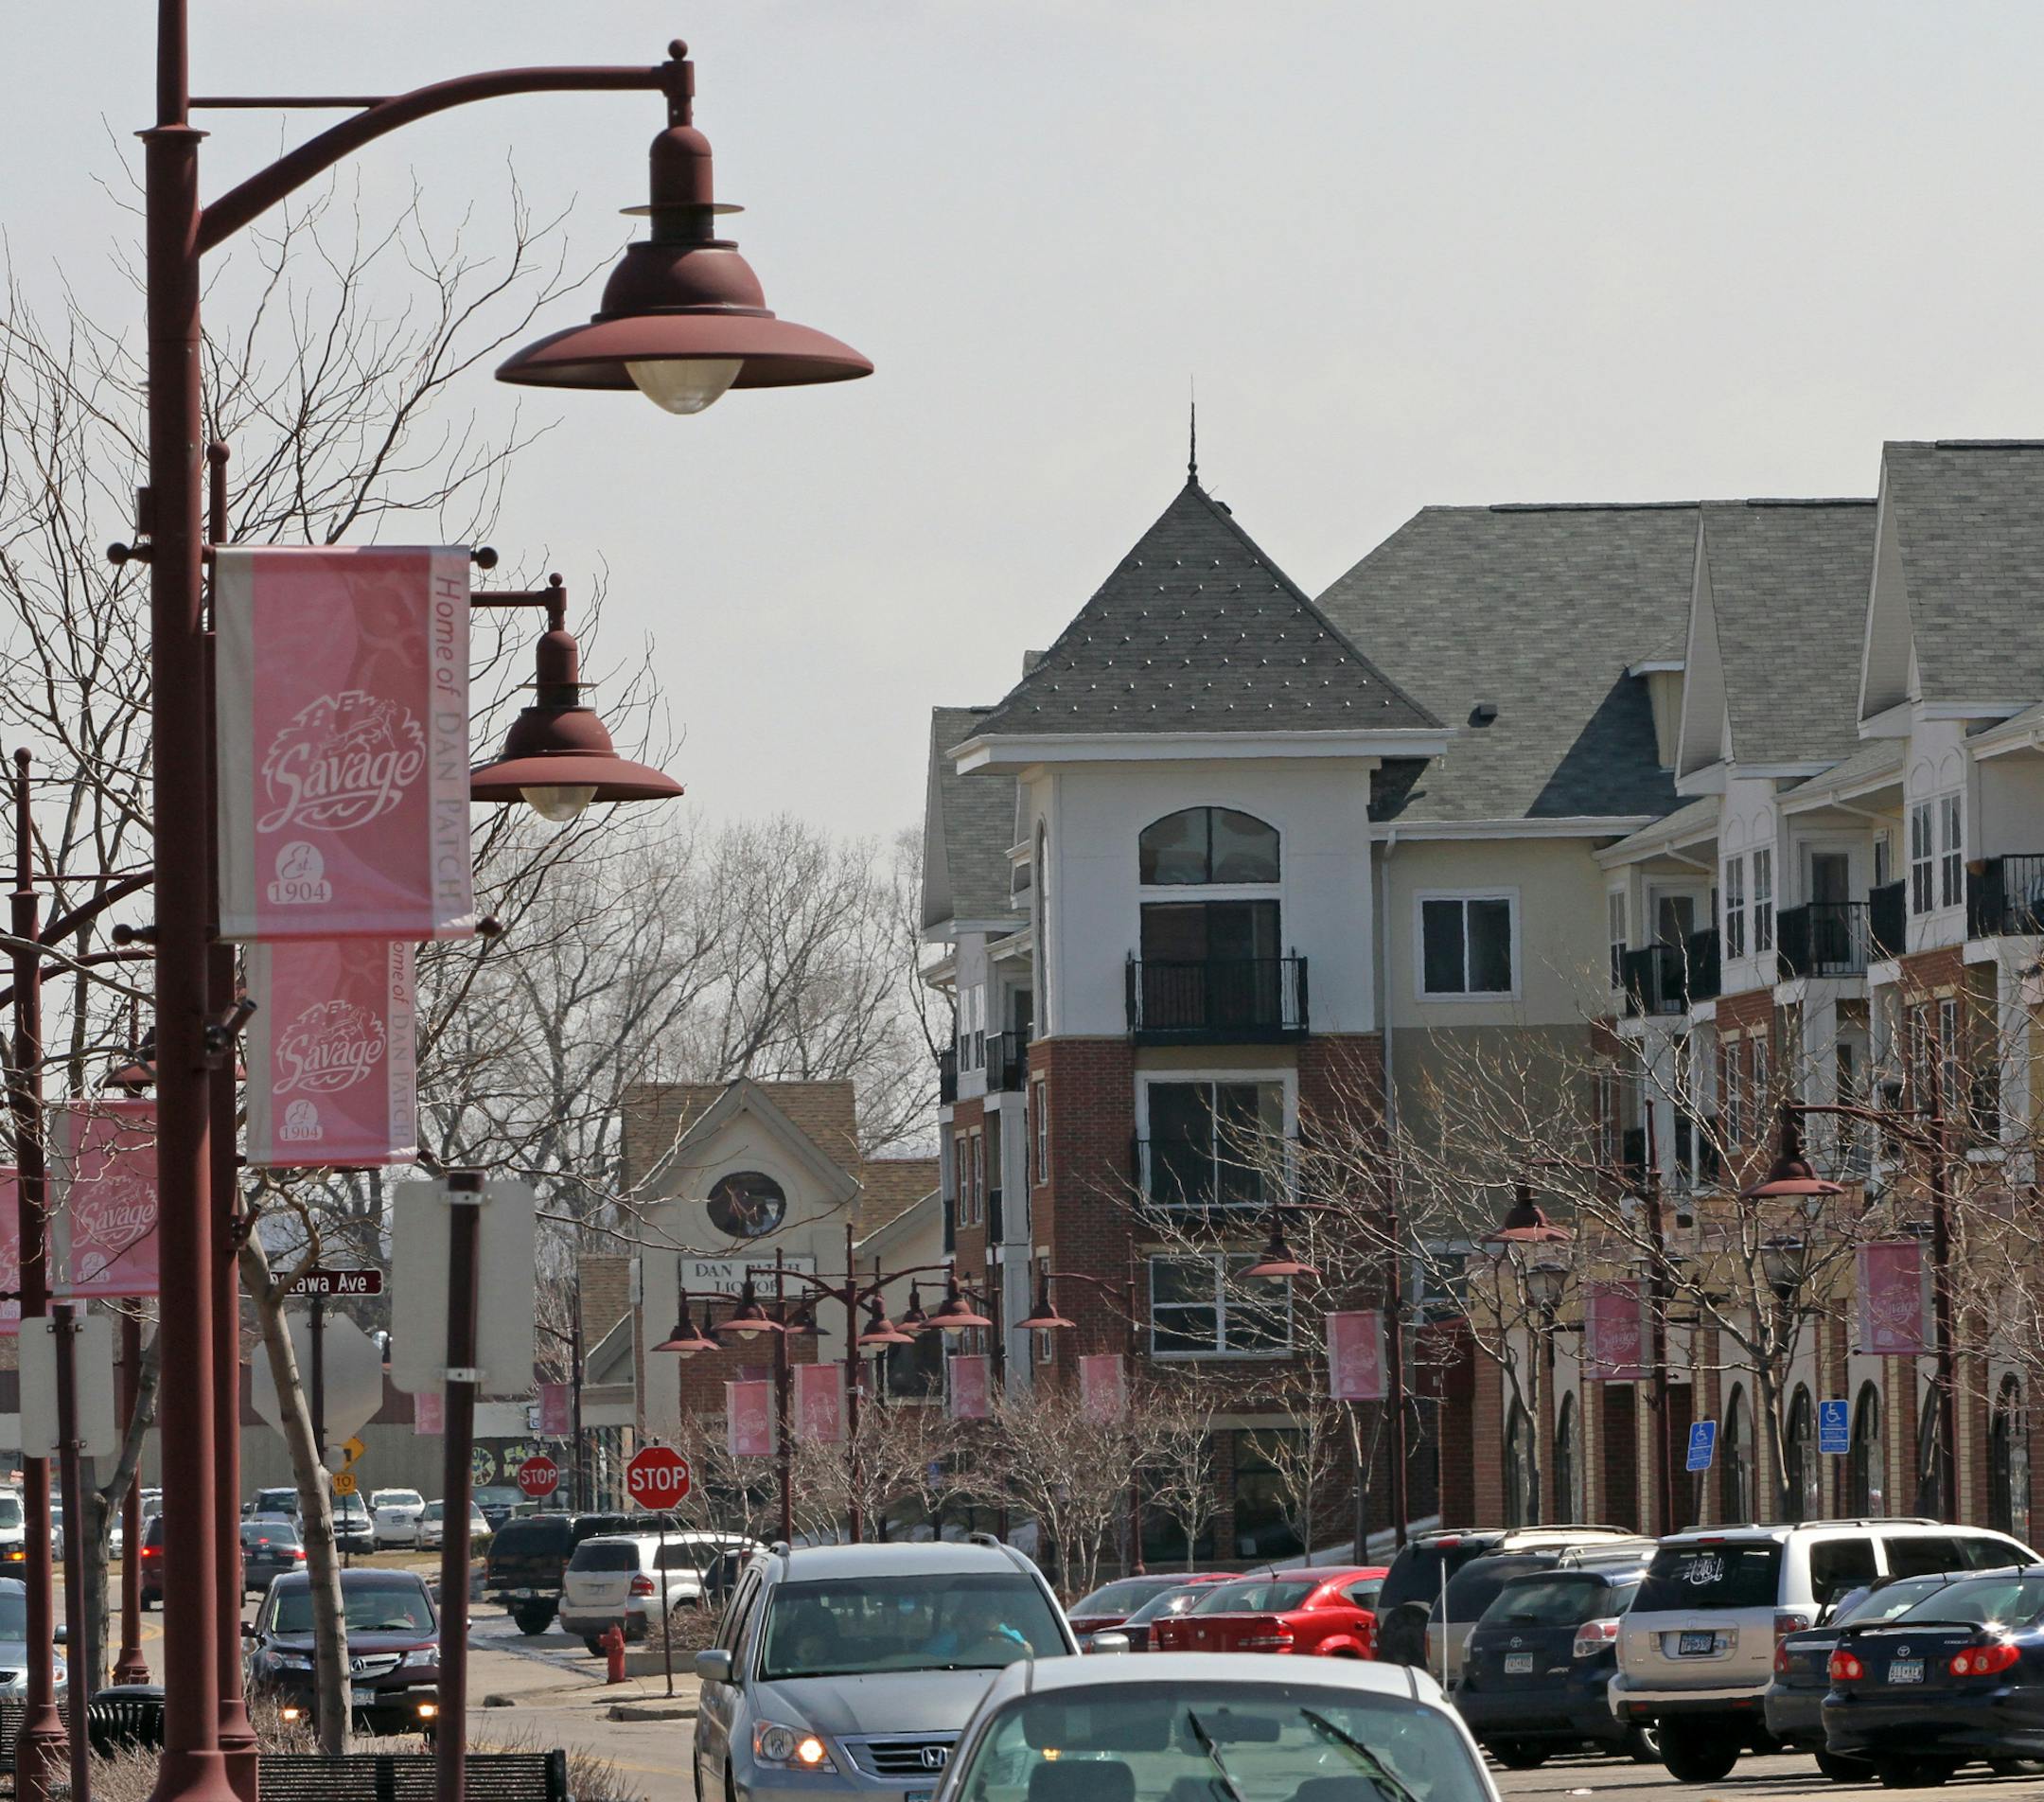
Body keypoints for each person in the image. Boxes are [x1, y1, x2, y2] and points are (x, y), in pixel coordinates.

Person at [929, 1591, 1033, 1666]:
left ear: (999, 1615)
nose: (986, 1618)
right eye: (979, 1612)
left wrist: (1028, 1652)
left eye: (992, 1612)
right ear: (965, 1613)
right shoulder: (948, 1639)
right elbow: (926, 1661)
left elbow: (1027, 1660)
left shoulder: (1012, 1637)